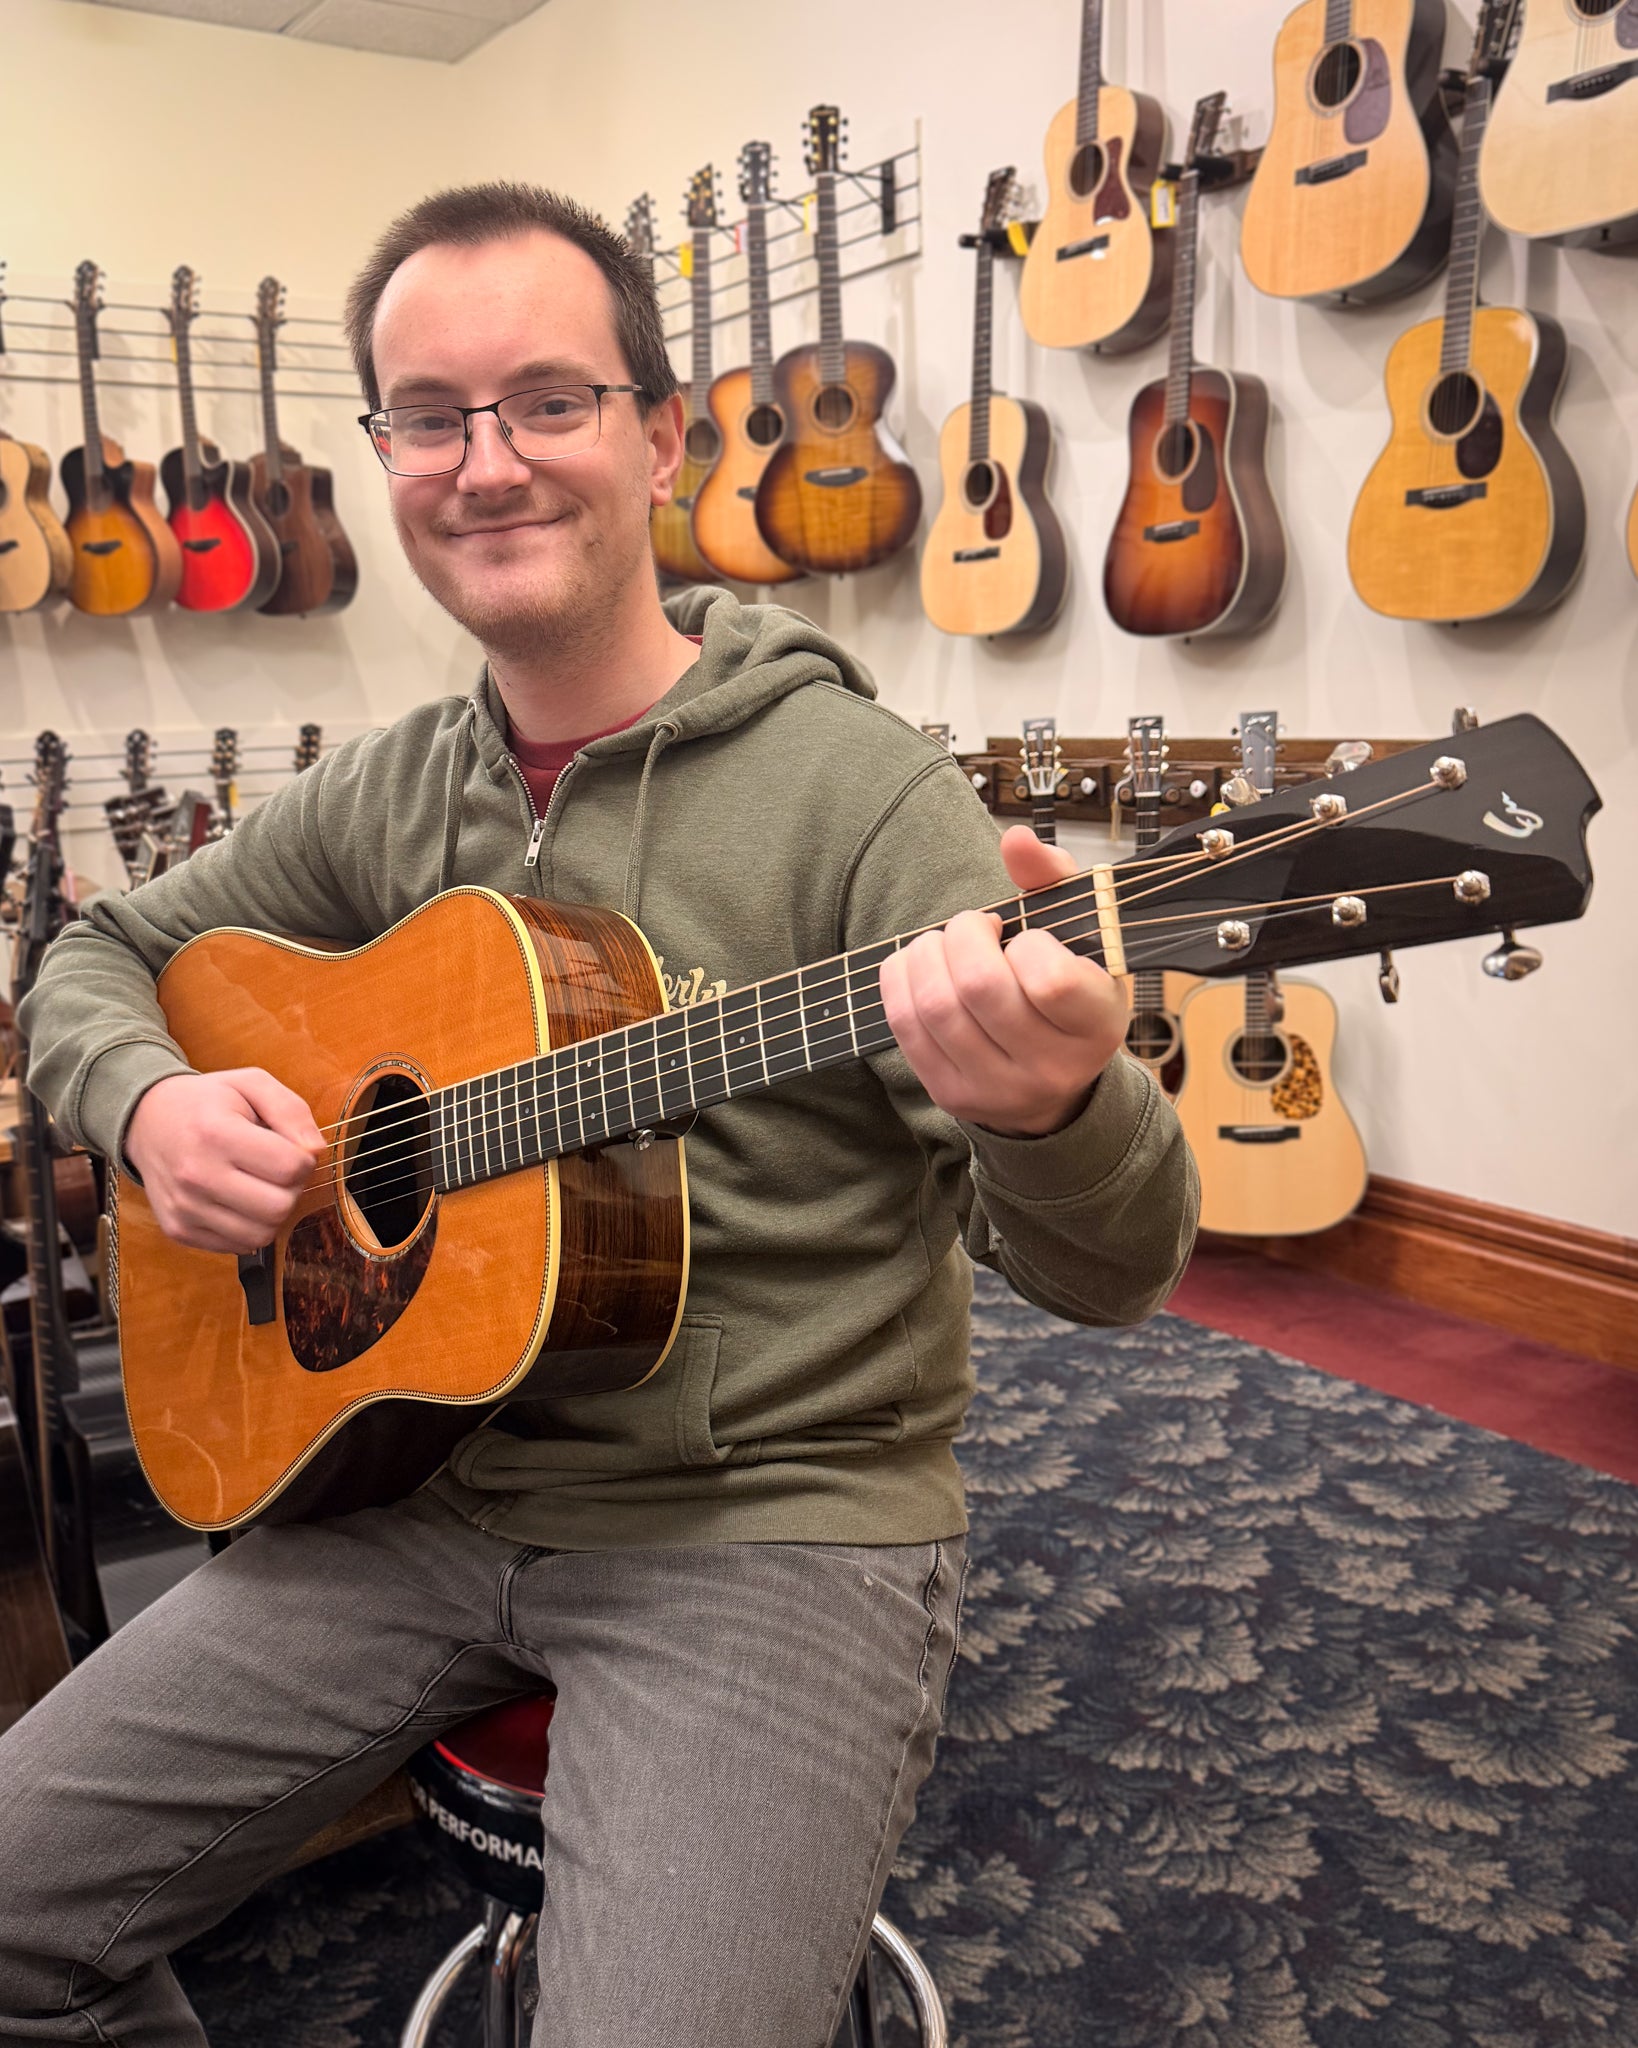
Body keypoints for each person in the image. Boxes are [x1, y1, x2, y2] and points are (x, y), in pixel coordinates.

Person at [0, 184, 1197, 2047]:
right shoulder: (389, 789)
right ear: (381, 456)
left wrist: (1058, 1112)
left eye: (548, 402)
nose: (487, 464)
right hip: (407, 1488)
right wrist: (146, 1107)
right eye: (428, 415)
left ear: (654, 438)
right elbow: (97, 959)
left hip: (769, 1527)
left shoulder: (865, 800)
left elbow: (1117, 1274)